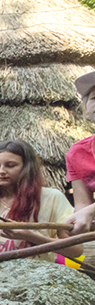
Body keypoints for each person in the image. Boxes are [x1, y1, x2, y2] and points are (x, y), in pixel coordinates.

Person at [0, 140, 83, 261]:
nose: (1, 171)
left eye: (10, 165)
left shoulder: (52, 198)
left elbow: (76, 250)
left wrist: (31, 236)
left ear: (27, 168)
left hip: (36, 277)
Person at [65, 71, 95, 234]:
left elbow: (89, 210)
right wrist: (77, 220)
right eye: (94, 98)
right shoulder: (77, 153)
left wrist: (90, 211)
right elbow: (83, 204)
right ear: (86, 109)